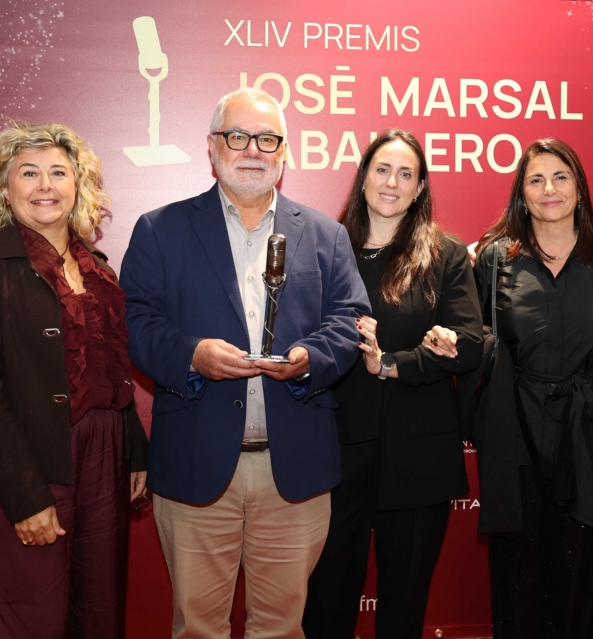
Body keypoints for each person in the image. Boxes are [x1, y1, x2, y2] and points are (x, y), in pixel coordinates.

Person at [119, 87, 370, 638]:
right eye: (238, 136)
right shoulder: (160, 229)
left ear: (285, 152)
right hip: (196, 461)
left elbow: (349, 321)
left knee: (281, 628)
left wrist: (309, 359)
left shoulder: (326, 235)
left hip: (294, 468)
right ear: (212, 147)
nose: (253, 150)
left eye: (267, 139)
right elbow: (136, 324)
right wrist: (192, 354)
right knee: (198, 628)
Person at [0, 122, 148, 638]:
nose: (45, 186)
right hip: (28, 461)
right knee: (29, 618)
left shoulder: (99, 268)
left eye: (58, 172)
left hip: (104, 455)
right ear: (4, 187)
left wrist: (134, 451)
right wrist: (25, 498)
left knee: (98, 612)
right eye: (28, 173)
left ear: (79, 184)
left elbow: (112, 369)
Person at [302, 130, 483, 639]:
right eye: (382, 170)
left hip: (419, 454)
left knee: (403, 605)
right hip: (335, 450)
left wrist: (393, 363)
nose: (392, 183)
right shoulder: (324, 248)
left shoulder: (446, 254)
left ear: (420, 187)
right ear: (363, 178)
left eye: (406, 174)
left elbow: (469, 344)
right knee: (326, 601)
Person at [472, 138, 593, 638]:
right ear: (522, 193)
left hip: (587, 434)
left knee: (585, 571)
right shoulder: (494, 258)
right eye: (535, 180)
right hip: (515, 430)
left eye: (561, 177)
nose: (549, 189)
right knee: (519, 571)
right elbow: (472, 340)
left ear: (579, 187)